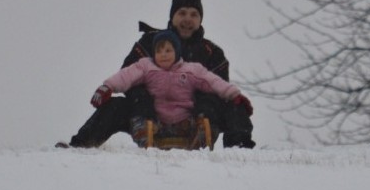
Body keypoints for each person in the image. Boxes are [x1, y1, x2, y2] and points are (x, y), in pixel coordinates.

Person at [63, 0, 256, 148]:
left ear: (200, 20)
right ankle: (80, 146)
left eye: (193, 14)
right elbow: (128, 75)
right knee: (115, 106)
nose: (187, 19)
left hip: (194, 119)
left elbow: (218, 87)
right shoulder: (150, 43)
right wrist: (142, 104)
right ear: (172, 17)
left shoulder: (212, 52)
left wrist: (206, 109)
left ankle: (240, 151)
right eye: (182, 13)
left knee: (235, 105)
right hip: (148, 116)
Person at [90, 29, 250, 139]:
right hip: (155, 121)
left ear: (177, 52)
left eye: (168, 50)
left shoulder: (191, 70)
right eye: (159, 51)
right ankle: (84, 142)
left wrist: (233, 94)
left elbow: (213, 82)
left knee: (218, 109)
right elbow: (127, 76)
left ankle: (228, 145)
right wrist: (108, 86)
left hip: (184, 120)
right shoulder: (146, 66)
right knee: (116, 106)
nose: (163, 55)